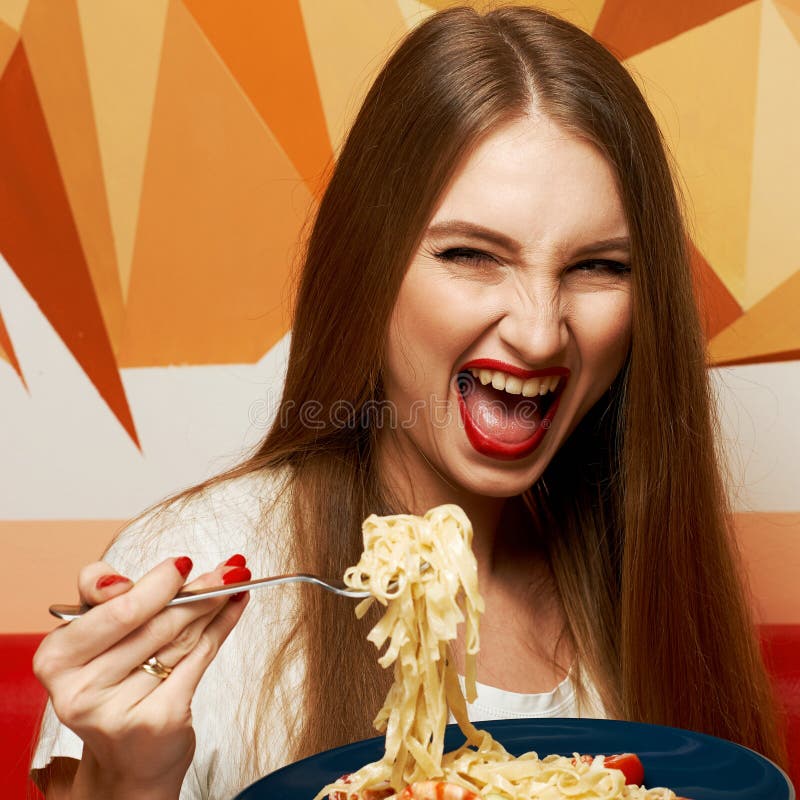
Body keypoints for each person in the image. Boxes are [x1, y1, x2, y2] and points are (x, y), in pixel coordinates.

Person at [31, 5, 787, 799]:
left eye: (597, 267)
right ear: (371, 268)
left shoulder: (643, 571)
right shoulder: (211, 568)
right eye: (471, 254)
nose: (538, 334)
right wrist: (122, 782)